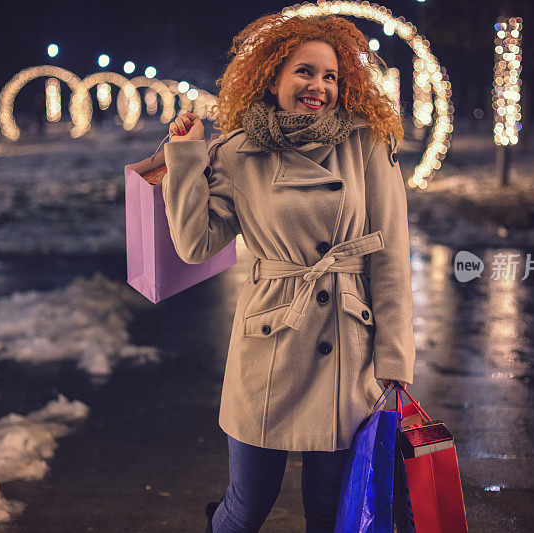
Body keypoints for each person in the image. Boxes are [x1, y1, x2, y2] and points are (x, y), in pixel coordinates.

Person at [161, 12, 416, 533]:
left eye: (331, 76)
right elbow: (194, 244)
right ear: (272, 77)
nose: (318, 86)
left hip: (346, 347)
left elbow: (390, 257)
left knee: (329, 512)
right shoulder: (237, 152)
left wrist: (393, 356)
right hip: (269, 343)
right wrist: (186, 157)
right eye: (304, 71)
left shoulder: (367, 144)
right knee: (247, 506)